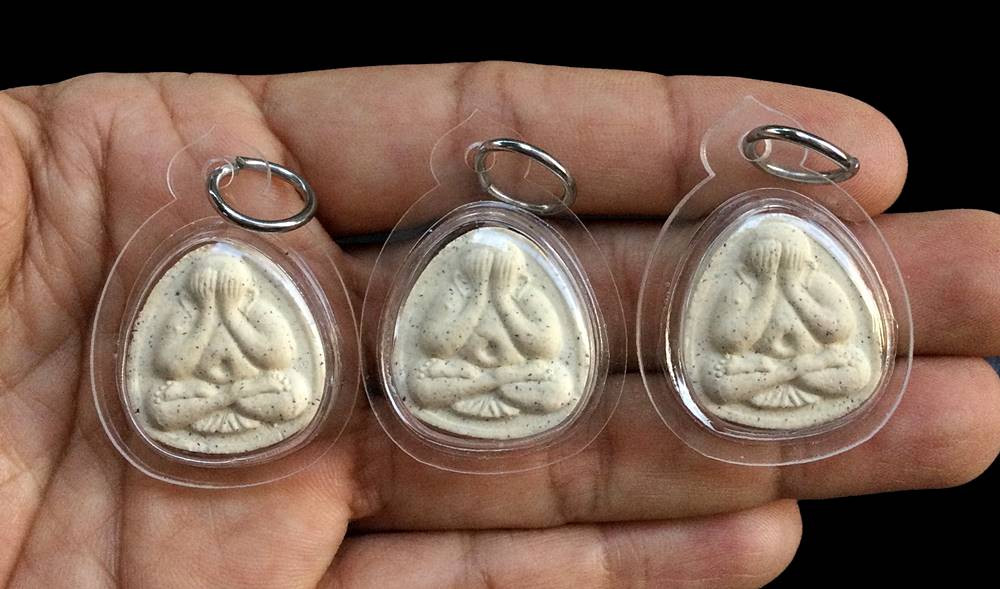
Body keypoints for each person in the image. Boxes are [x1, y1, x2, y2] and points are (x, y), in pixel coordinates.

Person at [0, 64, 996, 587]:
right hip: (397, 395)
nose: (493, 289)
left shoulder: (777, 266)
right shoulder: (213, 288)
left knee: (540, 382)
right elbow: (427, 355)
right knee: (301, 387)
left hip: (516, 391)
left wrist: (786, 301)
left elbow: (735, 349)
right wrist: (220, 320)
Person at [702, 222, 871, 408]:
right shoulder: (744, 285)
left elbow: (838, 332)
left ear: (808, 266)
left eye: (791, 262)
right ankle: (791, 371)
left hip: (789, 373)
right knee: (713, 379)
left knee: (860, 370)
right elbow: (730, 341)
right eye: (769, 262)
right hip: (776, 368)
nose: (777, 270)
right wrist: (766, 285)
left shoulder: (816, 282)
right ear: (748, 267)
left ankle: (785, 373)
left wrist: (792, 287)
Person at [147, 254, 310, 433]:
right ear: (189, 297)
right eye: (207, 288)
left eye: (229, 289)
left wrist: (230, 314)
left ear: (250, 295)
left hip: (253, 391)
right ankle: (224, 399)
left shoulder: (259, 310)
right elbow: (171, 368)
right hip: (203, 391)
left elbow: (279, 359)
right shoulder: (186, 314)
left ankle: (221, 401)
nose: (218, 297)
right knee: (155, 402)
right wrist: (207, 314)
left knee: (298, 392)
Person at [408, 242, 573, 418]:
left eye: (500, 277)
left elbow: (546, 348)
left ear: (521, 281)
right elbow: (435, 346)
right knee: (418, 381)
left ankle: (485, 386)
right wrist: (477, 297)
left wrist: (502, 298)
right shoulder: (454, 294)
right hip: (464, 375)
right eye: (484, 278)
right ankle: (484, 385)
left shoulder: (528, 295)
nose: (490, 285)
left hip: (518, 376)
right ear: (461, 280)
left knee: (562, 386)